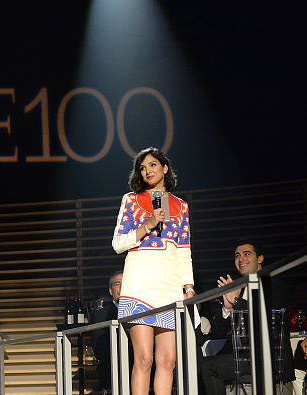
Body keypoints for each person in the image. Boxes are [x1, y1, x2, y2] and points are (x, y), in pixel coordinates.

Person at [112, 147, 195, 395]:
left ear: (165, 168)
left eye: (153, 165)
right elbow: (118, 244)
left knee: (168, 360)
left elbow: (183, 251)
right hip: (139, 288)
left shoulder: (181, 206)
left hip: (169, 290)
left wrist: (188, 288)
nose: (147, 171)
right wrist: (147, 225)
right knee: (144, 358)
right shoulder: (131, 200)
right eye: (142, 167)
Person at [199, 239, 294, 394]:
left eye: (247, 254)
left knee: (208, 367)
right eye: (237, 255)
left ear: (260, 258)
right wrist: (227, 309)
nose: (241, 259)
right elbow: (220, 333)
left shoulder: (273, 285)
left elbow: (266, 323)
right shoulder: (239, 289)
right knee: (196, 365)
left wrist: (237, 302)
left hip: (267, 356)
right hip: (240, 354)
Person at [89, 270, 122, 394]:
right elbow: (100, 352)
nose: (122, 288)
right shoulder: (100, 315)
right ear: (111, 290)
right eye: (117, 284)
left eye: (125, 284)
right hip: (112, 373)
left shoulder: (141, 312)